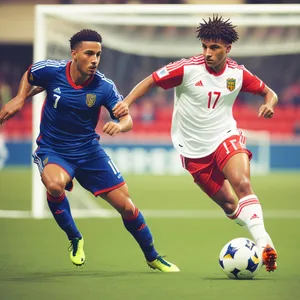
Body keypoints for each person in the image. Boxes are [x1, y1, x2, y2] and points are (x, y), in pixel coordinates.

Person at [0, 29, 179, 272]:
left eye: (98, 54)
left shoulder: (104, 86)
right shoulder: (52, 70)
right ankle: (75, 237)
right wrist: (20, 98)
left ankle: (152, 256)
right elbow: (30, 74)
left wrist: (120, 125)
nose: (95, 59)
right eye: (89, 53)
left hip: (89, 152)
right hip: (54, 149)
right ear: (74, 54)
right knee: (54, 184)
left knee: (127, 207)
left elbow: (127, 119)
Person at [113, 15, 278, 272]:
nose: (208, 53)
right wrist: (127, 103)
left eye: (214, 48)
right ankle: (255, 232)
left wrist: (269, 103)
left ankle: (264, 243)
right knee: (230, 206)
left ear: (228, 48)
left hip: (225, 135)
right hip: (192, 150)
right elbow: (151, 80)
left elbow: (270, 92)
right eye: (204, 47)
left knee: (243, 183)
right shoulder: (187, 68)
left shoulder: (238, 73)